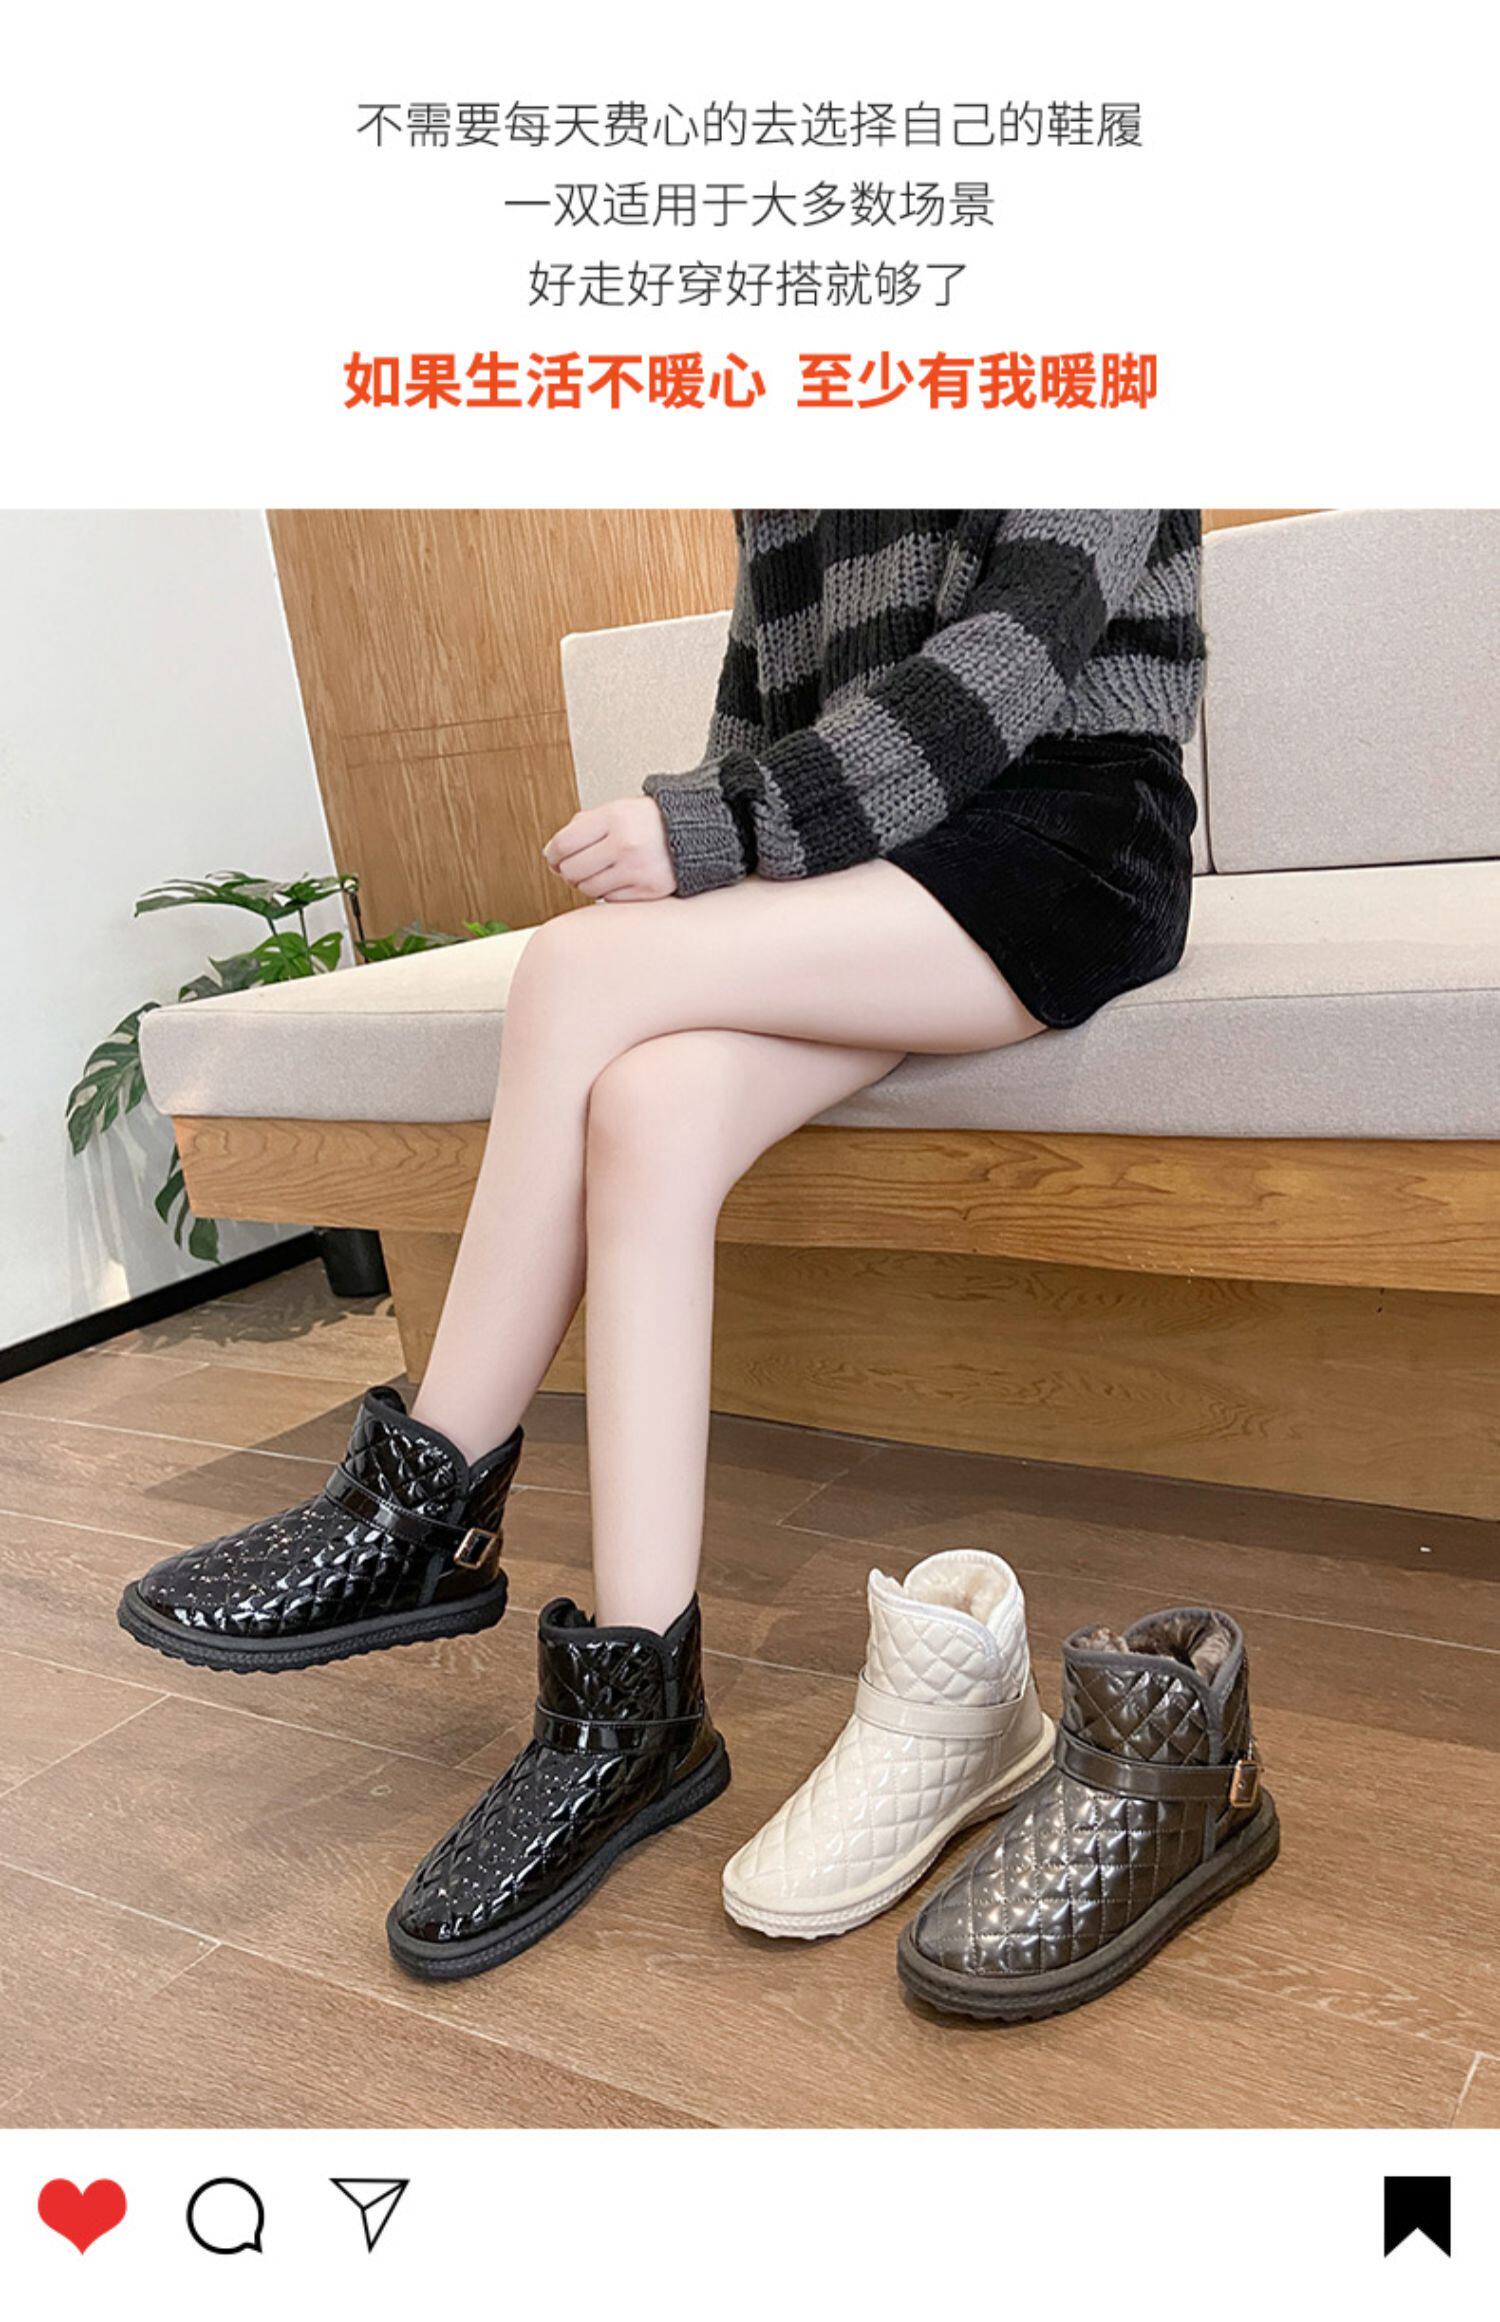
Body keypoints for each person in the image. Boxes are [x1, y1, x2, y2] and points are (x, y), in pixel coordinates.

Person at [118, 508, 1205, 1981]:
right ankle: (633, 1715)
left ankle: (421, 1501)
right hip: (875, 862)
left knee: (574, 971)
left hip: (1063, 840)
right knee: (645, 1109)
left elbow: (1005, 671)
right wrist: (723, 847)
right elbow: (761, 705)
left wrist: (716, 832)